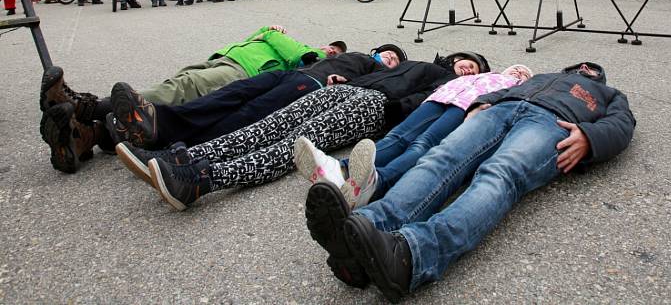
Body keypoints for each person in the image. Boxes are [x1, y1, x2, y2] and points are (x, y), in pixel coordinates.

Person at [304, 62, 636, 300]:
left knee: (498, 175)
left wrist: (590, 137)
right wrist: (482, 103)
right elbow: (505, 88)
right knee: (441, 157)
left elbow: (623, 124)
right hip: (502, 109)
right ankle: (361, 228)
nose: (586, 71)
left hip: (553, 126)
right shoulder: (547, 75)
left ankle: (413, 255)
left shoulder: (609, 94)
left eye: (593, 71)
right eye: (581, 68)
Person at [114, 49, 485, 212]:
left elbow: (418, 105)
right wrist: (345, 78)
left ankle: (202, 180)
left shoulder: (448, 84)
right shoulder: (421, 63)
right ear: (458, 57)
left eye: (477, 69)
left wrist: (390, 107)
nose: (469, 70)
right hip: (347, 91)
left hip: (372, 109)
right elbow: (378, 74)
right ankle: (180, 158)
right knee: (266, 126)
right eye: (469, 63)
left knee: (291, 143)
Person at [39, 27, 345, 172]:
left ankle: (83, 106)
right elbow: (265, 32)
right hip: (223, 58)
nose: (331, 52)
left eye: (336, 54)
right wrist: (272, 31)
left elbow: (299, 56)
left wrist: (286, 40)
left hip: (241, 71)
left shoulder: (309, 55)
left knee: (175, 92)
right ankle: (83, 135)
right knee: (173, 89)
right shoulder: (290, 40)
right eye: (331, 47)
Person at [295, 56, 516, 207]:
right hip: (439, 99)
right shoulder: (476, 76)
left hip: (465, 107)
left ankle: (378, 181)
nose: (518, 72)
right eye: (516, 68)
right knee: (397, 136)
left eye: (524, 73)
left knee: (423, 144)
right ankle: (341, 170)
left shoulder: (512, 87)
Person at [110, 43, 398, 151]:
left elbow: (366, 89)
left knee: (248, 113)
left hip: (313, 85)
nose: (389, 57)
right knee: (230, 94)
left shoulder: (375, 71)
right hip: (293, 74)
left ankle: (172, 142)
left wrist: (341, 82)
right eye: (388, 52)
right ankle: (158, 119)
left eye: (395, 59)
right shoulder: (356, 54)